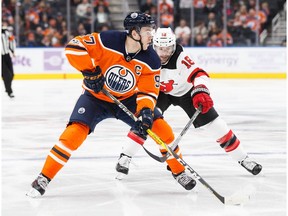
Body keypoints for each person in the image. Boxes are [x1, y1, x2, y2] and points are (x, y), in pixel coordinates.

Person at [26, 12, 196, 198]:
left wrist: (146, 111)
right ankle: (44, 177)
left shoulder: (152, 59)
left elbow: (147, 91)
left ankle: (178, 171)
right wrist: (89, 71)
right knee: (74, 134)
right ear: (135, 32)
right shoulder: (107, 40)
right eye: (148, 31)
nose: (152, 35)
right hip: (95, 98)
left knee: (162, 129)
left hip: (129, 100)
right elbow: (73, 47)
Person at [116, 27, 262, 182]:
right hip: (159, 93)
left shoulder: (181, 57)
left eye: (168, 49)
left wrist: (201, 91)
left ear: (173, 46)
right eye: (160, 49)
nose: (164, 53)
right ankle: (126, 156)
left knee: (215, 124)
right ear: (154, 46)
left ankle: (243, 158)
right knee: (145, 120)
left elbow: (200, 74)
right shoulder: (145, 56)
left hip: (186, 93)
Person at [2, 23, 16, 98]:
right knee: (6, 75)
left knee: (11, 74)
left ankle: (8, 89)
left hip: (7, 54)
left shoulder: (7, 32)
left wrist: (13, 51)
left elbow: (11, 41)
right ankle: (9, 91)